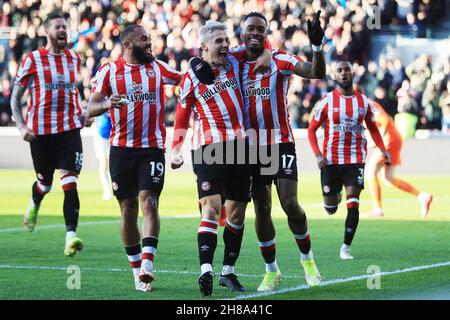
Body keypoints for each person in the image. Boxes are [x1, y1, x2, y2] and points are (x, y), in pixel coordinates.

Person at [170, 20, 269, 296]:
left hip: (240, 148)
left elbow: (261, 46)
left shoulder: (235, 61)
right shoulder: (190, 78)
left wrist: (269, 52)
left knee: (237, 214)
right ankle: (205, 270)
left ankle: (228, 271)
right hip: (209, 149)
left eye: (227, 40)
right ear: (204, 47)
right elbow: (182, 115)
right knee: (211, 208)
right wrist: (175, 150)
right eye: (219, 42)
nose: (226, 45)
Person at [87, 24, 181, 292]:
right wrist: (106, 104)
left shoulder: (159, 68)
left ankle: (148, 264)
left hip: (152, 148)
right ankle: (136, 270)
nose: (150, 43)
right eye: (144, 39)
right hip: (121, 151)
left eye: (150, 38)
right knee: (127, 210)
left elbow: (186, 80)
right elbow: (91, 107)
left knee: (149, 202)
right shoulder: (109, 71)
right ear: (128, 44)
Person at [239, 11, 325, 291]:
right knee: (262, 210)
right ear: (242, 33)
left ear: (266, 34)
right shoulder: (233, 62)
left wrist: (316, 46)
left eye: (260, 29)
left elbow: (316, 72)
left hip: (281, 142)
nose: (255, 33)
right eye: (250, 28)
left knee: (290, 204)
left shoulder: (280, 60)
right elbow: (206, 56)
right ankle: (271, 271)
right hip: (251, 147)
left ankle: (308, 260)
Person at [11, 13, 90, 257]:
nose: (63, 30)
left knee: (70, 182)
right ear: (47, 31)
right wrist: (22, 126)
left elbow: (74, 90)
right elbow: (15, 98)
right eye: (58, 27)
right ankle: (34, 204)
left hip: (69, 130)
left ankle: (70, 236)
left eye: (65, 27)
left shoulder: (74, 58)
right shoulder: (33, 59)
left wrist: (84, 113)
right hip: (41, 134)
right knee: (45, 185)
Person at [307, 61, 392, 260]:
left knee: (353, 202)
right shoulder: (326, 101)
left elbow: (372, 127)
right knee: (330, 208)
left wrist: (383, 149)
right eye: (339, 70)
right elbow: (311, 129)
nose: (343, 73)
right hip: (330, 161)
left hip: (355, 160)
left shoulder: (363, 102)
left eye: (346, 70)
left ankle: (345, 247)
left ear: (352, 74)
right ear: (334, 76)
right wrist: (318, 154)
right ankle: (334, 194)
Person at [364, 100, 433, 218]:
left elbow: (385, 120)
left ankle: (378, 210)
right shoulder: (363, 106)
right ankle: (422, 196)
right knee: (388, 178)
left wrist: (378, 141)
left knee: (370, 173)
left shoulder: (368, 105)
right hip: (393, 139)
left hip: (388, 141)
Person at [92, 111, 112, 200]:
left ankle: (113, 188)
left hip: (113, 135)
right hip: (100, 134)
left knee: (112, 163)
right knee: (103, 163)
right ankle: (106, 190)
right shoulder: (100, 99)